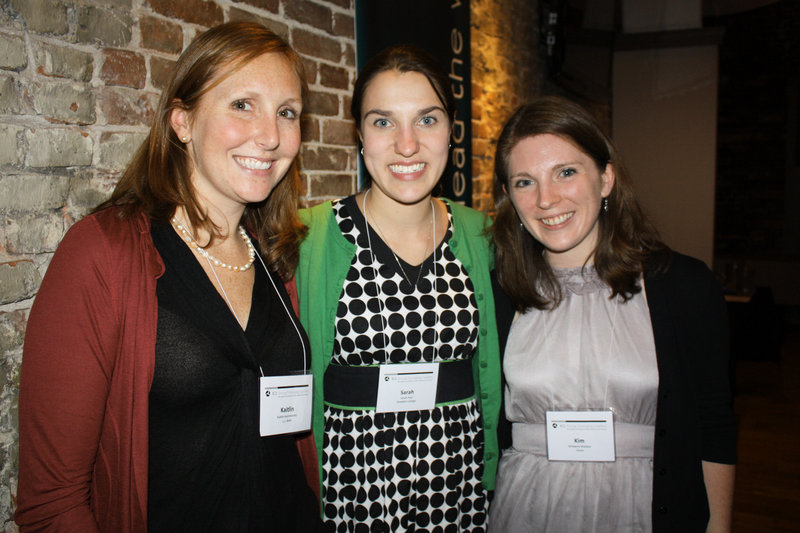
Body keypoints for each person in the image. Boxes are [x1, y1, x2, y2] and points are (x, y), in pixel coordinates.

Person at [15, 22, 321, 533]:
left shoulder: (274, 256)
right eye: (242, 104)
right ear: (182, 121)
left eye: (286, 113)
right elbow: (53, 503)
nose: (270, 136)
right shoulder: (102, 253)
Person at [489, 96, 737, 533]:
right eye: (525, 182)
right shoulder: (500, 291)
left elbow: (714, 422)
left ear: (605, 179)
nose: (547, 199)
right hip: (526, 508)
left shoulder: (683, 285)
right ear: (509, 196)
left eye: (565, 172)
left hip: (642, 509)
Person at [295, 45, 501, 532]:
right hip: (352, 493)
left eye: (426, 120)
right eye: (383, 122)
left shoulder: (483, 237)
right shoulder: (308, 239)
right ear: (360, 137)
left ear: (451, 132)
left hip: (458, 490)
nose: (407, 145)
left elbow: (490, 381)